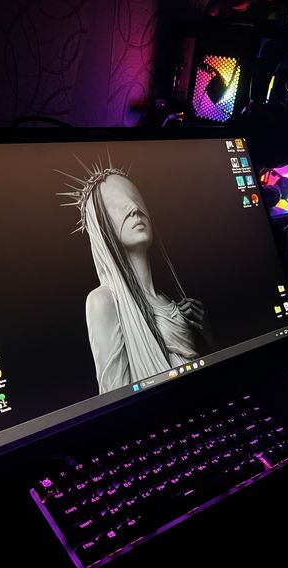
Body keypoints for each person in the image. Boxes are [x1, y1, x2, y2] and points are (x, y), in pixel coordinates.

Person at [57, 158, 214, 394]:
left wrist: (207, 335)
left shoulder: (168, 299)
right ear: (100, 226)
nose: (134, 208)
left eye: (136, 199)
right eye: (117, 205)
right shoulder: (103, 302)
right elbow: (115, 394)